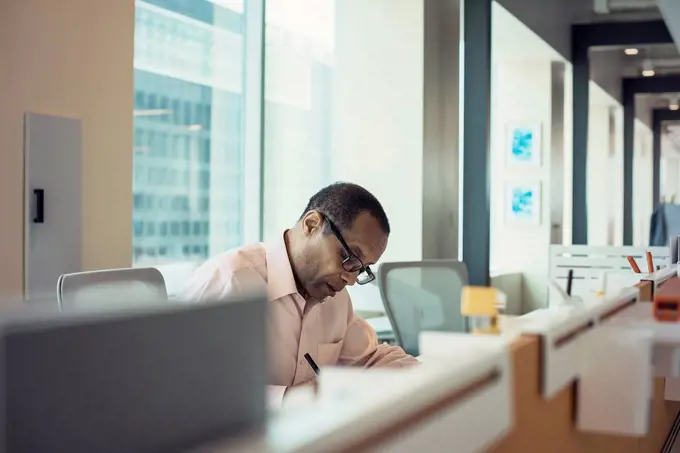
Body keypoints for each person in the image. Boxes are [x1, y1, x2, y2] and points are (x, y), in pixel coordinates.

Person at [178, 182, 417, 406]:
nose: (352, 279)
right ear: (312, 225)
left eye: (361, 268)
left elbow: (369, 358)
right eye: (349, 258)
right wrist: (297, 399)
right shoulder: (228, 282)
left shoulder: (335, 297)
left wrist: (430, 375)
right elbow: (186, 392)